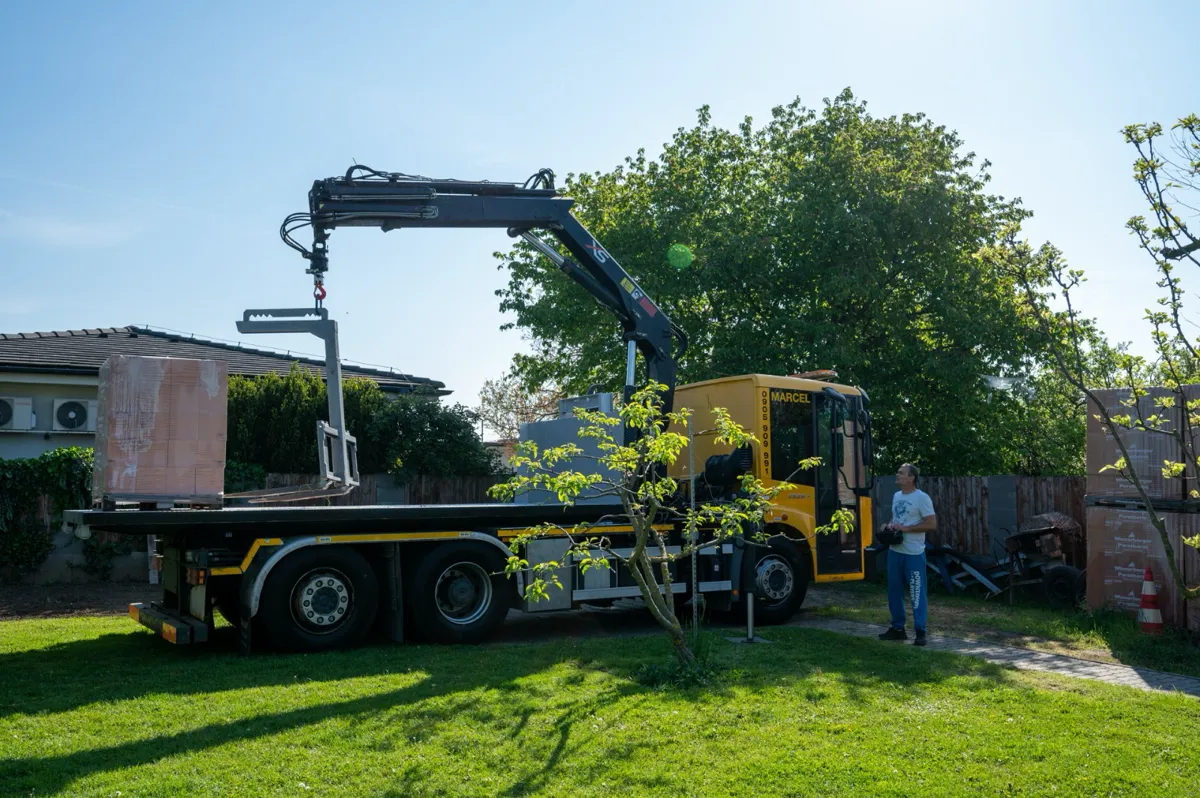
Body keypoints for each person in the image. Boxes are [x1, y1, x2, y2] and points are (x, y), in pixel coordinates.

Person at [877, 463, 936, 646]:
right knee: (894, 592)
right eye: (898, 472)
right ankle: (897, 629)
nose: (898, 475)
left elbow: (931, 524)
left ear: (911, 478)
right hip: (895, 552)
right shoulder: (897, 496)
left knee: (917, 592)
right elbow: (897, 519)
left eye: (901, 473)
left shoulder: (922, 498)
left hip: (914, 554)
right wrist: (888, 526)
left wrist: (907, 529)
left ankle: (920, 631)